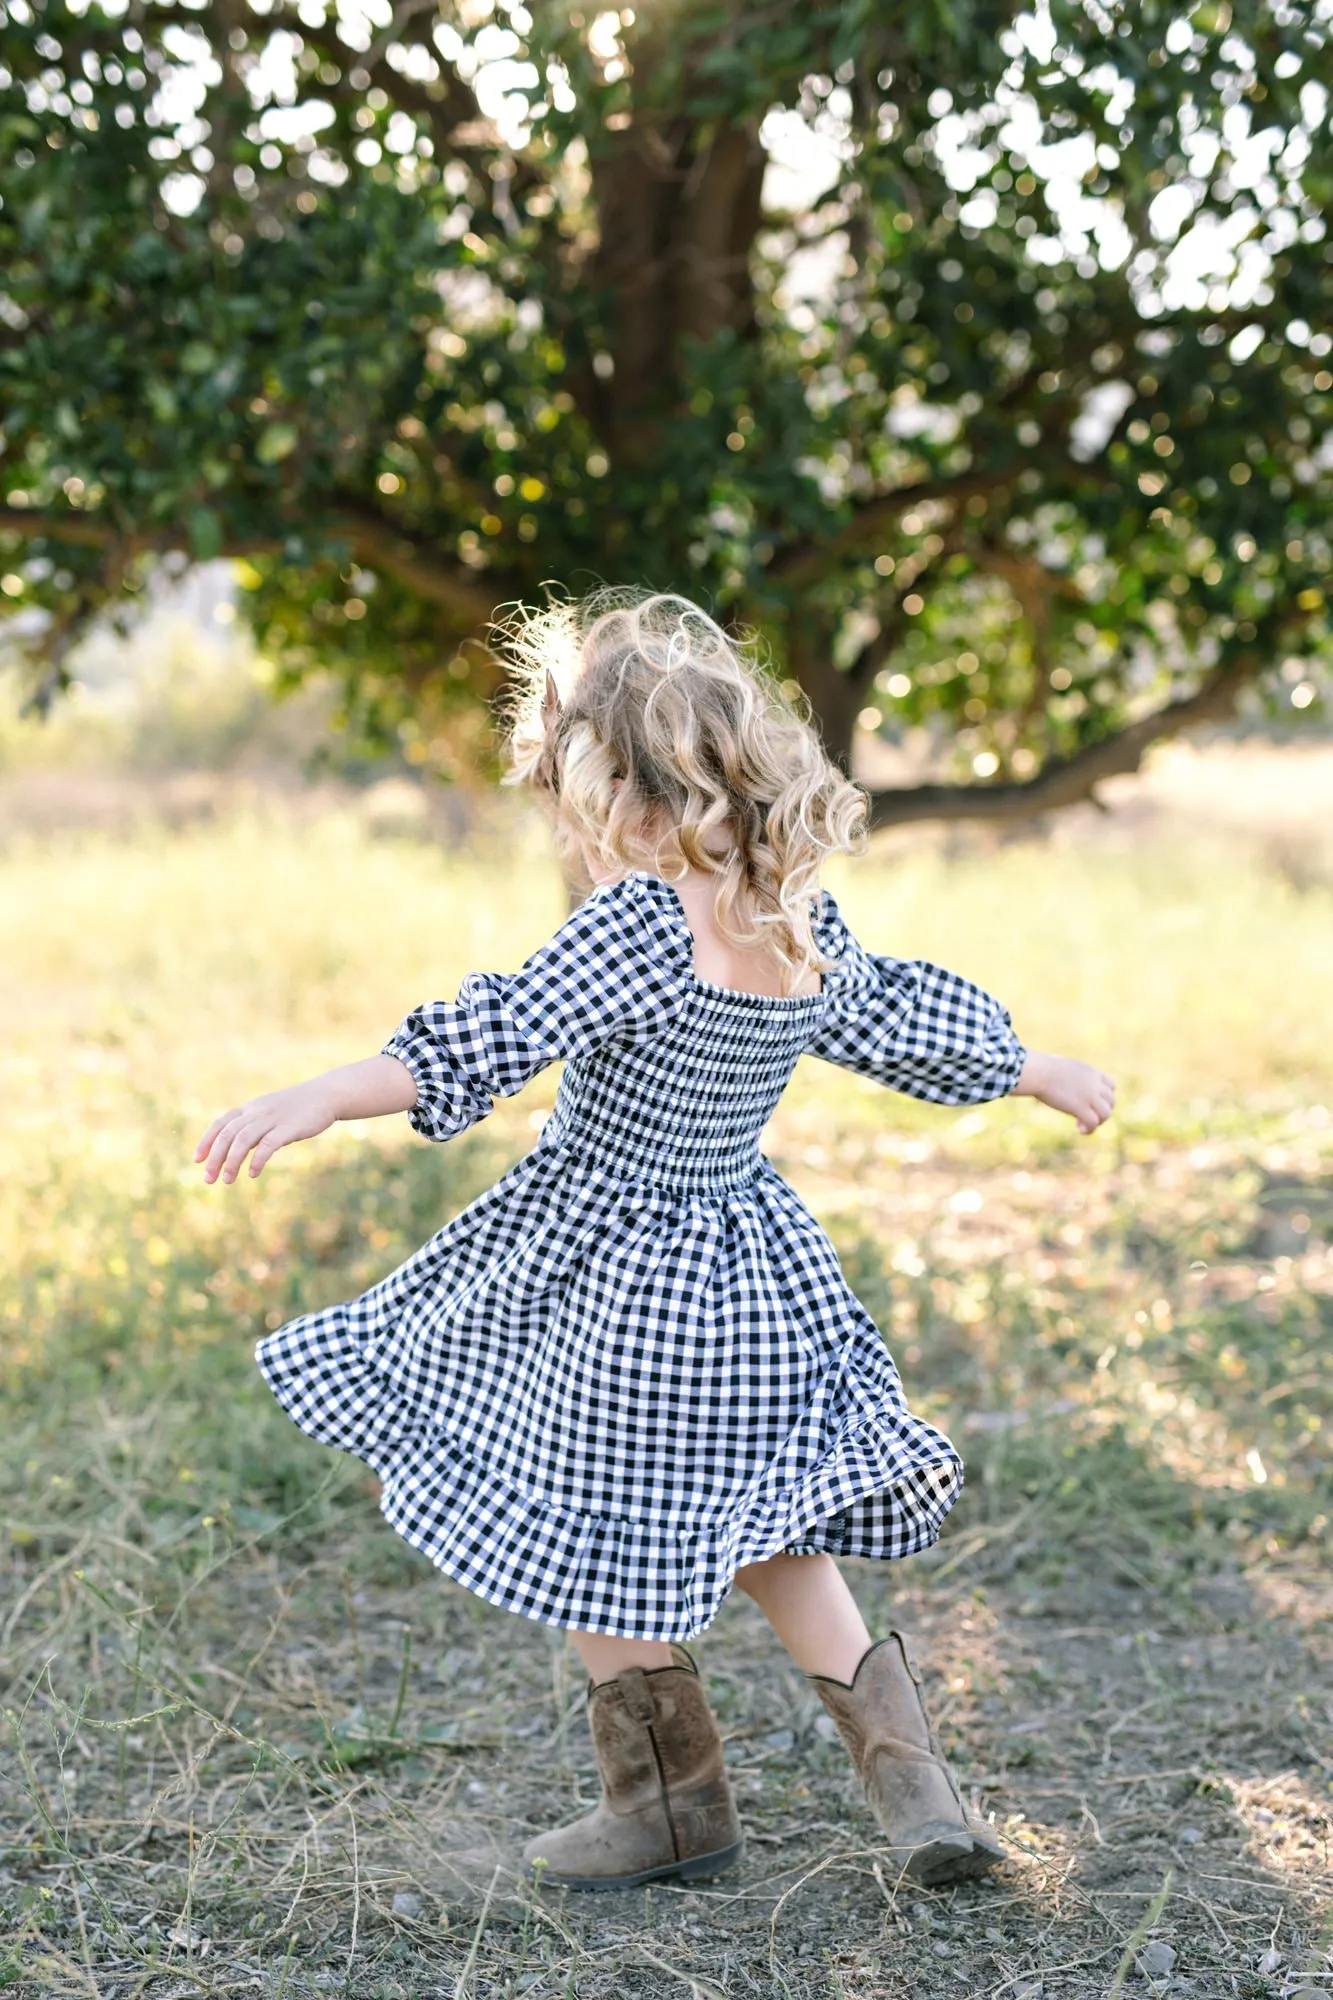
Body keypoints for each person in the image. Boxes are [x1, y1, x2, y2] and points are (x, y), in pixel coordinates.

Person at [196, 591, 1114, 1891]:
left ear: (633, 796)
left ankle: (669, 1809)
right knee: (781, 1541)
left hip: (607, 1276)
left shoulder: (639, 926)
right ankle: (919, 1797)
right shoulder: (796, 919)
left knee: (575, 1510)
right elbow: (905, 1022)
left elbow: (487, 1034)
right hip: (745, 1278)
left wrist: (321, 1099)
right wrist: (1038, 1066)